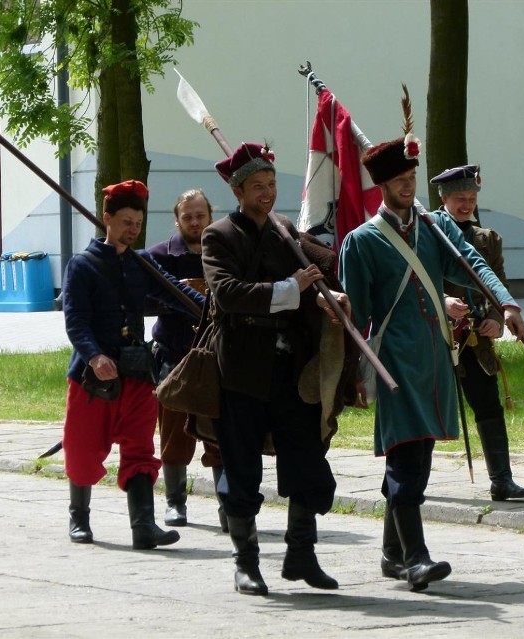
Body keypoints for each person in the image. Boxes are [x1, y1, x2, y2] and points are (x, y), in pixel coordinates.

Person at [339, 118, 524, 592]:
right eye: (399, 182)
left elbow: (473, 263)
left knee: (415, 453)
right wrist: (352, 374)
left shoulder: (437, 227)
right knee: (407, 457)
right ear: (382, 186)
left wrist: (505, 301)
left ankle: (391, 554)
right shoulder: (360, 242)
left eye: (411, 180)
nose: (407, 188)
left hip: (436, 359)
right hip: (395, 360)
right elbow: (356, 316)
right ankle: (416, 558)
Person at [201, 142, 353, 596]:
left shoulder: (286, 229)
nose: (267, 193)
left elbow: (316, 268)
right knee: (242, 466)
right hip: (242, 371)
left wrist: (330, 296)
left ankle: (301, 554)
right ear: (238, 190)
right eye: (257, 187)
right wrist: (290, 287)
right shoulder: (219, 235)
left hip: (290, 370)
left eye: (271, 184)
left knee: (308, 456)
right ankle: (246, 561)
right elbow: (227, 293)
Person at [61, 179, 206, 550]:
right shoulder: (83, 265)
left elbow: (175, 291)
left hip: (137, 373)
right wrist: (94, 356)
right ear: (106, 219)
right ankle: (79, 518)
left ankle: (143, 525)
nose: (132, 229)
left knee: (141, 447)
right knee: (82, 447)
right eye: (126, 221)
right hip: (92, 377)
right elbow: (76, 320)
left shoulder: (143, 264)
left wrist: (210, 309)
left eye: (137, 223)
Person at [433, 165, 524, 502]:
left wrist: (495, 316)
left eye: (471, 199)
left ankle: (502, 481)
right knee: (424, 408)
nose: (466, 205)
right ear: (443, 198)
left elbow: (498, 282)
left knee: (489, 406)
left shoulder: (487, 239)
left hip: (476, 341)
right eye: (459, 198)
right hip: (435, 337)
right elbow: (417, 280)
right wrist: (442, 301)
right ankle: (403, 481)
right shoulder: (428, 234)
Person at [147, 189, 227, 531]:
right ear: (177, 220)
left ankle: (229, 504)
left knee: (222, 434)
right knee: (174, 434)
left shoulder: (226, 250)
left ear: (210, 215)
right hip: (175, 357)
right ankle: (175, 502)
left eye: (200, 215)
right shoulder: (158, 256)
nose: (194, 222)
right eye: (187, 217)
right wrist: (180, 293)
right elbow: (144, 300)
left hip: (217, 358)